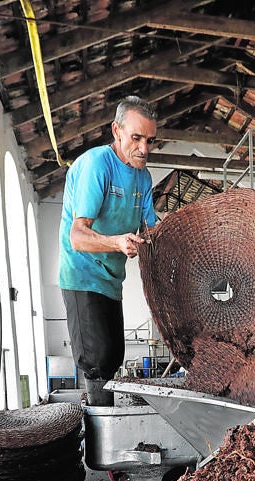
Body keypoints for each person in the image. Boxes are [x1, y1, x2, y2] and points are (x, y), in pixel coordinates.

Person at [58, 96, 159, 406]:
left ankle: (104, 415)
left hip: (111, 279)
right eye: (136, 138)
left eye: (150, 141)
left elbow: (152, 231)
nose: (144, 149)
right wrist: (117, 242)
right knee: (97, 357)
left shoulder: (143, 177)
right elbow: (78, 236)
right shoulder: (96, 165)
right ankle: (98, 431)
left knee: (114, 354)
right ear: (117, 130)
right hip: (82, 274)